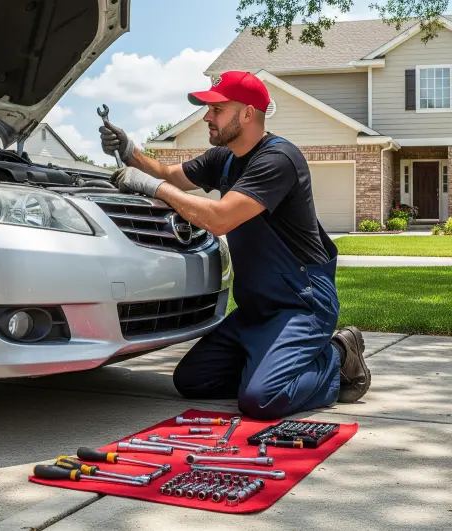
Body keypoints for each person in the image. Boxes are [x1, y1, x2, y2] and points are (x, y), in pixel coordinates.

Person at [99, 70, 371, 420]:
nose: (207, 117)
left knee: (262, 400)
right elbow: (167, 175)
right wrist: (129, 151)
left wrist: (153, 188)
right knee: (193, 380)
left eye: (217, 109)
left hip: (301, 305)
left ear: (247, 113)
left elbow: (220, 218)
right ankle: (268, 364)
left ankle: (338, 355)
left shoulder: (278, 159)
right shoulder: (224, 159)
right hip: (256, 309)